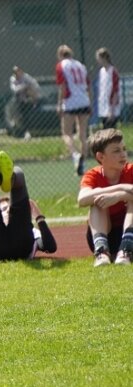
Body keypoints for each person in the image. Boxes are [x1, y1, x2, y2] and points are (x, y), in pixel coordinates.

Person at [0, 152, 57, 262]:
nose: (6, 211)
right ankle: (7, 178)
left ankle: (3, 180)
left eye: (8, 208)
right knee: (17, 172)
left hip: (18, 245)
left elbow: (50, 247)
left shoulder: (33, 231)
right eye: (2, 209)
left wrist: (39, 217)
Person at [77, 128, 133, 266]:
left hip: (129, 234)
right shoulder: (93, 175)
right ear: (101, 157)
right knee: (97, 202)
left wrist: (119, 196)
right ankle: (102, 253)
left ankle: (125, 251)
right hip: (105, 235)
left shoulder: (131, 170)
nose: (123, 154)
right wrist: (119, 188)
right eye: (116, 151)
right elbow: (82, 199)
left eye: (123, 149)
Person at [55, 44, 92, 176]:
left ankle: (75, 155)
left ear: (60, 55)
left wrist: (59, 103)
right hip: (83, 100)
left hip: (70, 101)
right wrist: (90, 102)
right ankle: (84, 162)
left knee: (66, 133)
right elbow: (88, 85)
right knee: (83, 134)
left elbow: (63, 86)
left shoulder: (61, 66)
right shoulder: (81, 66)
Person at [9, 66, 41, 138]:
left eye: (19, 71)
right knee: (21, 116)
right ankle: (23, 132)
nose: (17, 74)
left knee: (28, 116)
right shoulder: (13, 79)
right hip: (19, 100)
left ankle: (29, 132)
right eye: (15, 72)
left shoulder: (26, 77)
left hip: (29, 99)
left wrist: (29, 89)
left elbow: (36, 86)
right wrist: (24, 86)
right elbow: (14, 90)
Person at [95, 48, 121, 130]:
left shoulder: (113, 71)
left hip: (111, 107)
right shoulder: (101, 71)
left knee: (111, 132)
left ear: (104, 58)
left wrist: (112, 110)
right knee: (105, 131)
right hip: (103, 106)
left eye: (98, 58)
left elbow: (115, 91)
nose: (97, 60)